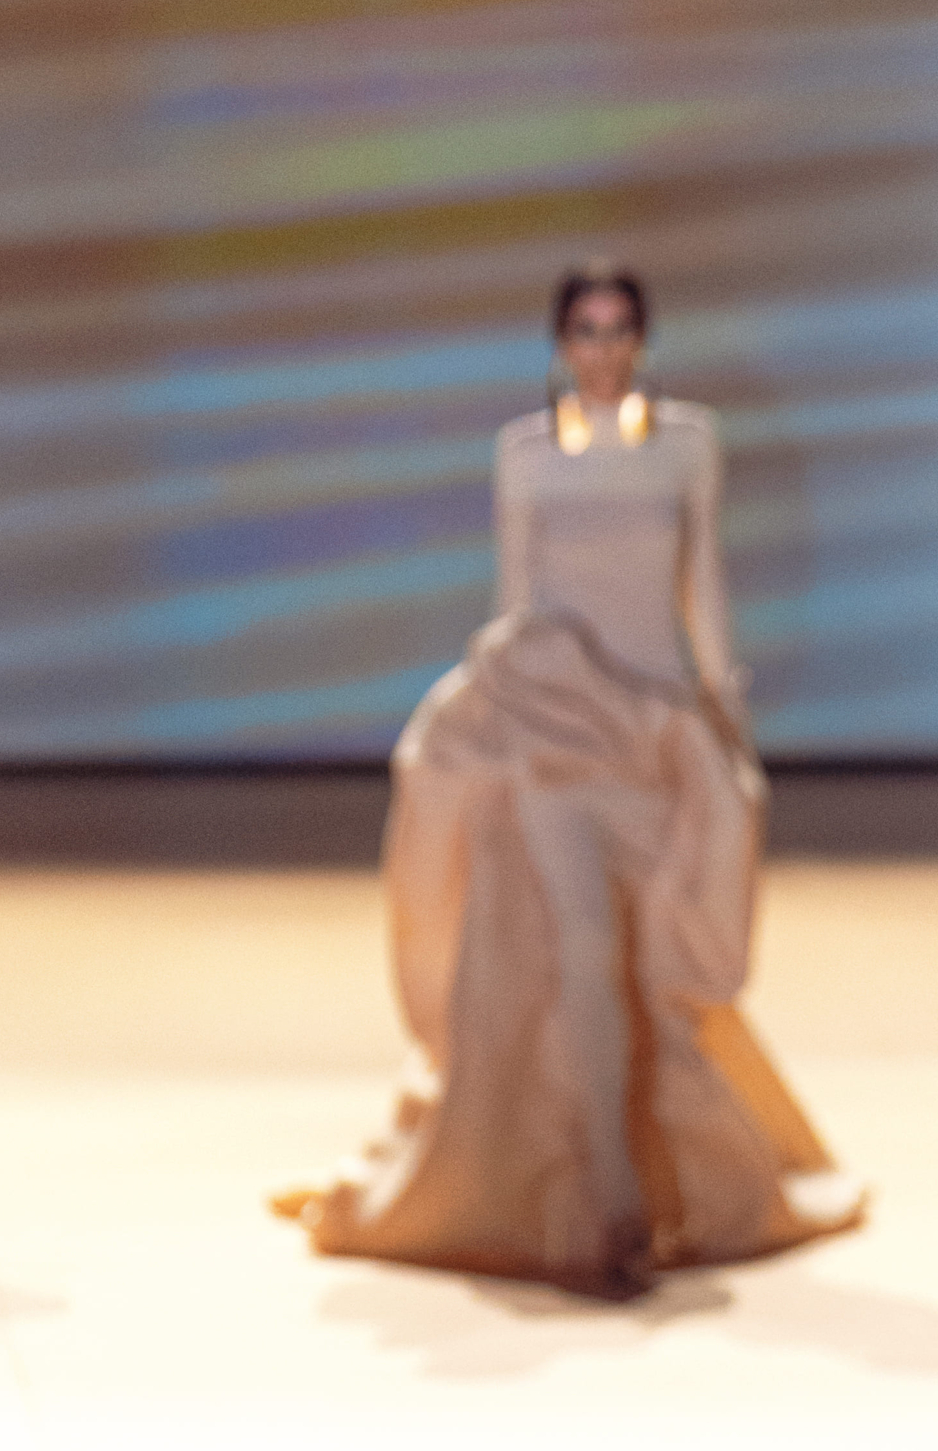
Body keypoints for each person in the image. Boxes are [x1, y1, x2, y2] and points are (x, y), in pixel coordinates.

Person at [279, 263, 862, 1299]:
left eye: (618, 328)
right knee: (584, 948)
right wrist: (489, 711)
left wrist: (723, 710)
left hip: (654, 734)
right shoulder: (525, 454)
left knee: (653, 971)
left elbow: (702, 587)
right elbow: (517, 598)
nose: (602, 349)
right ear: (559, 344)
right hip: (552, 728)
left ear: (642, 339)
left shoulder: (687, 445)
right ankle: (608, 1208)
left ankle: (645, 1183)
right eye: (585, 331)